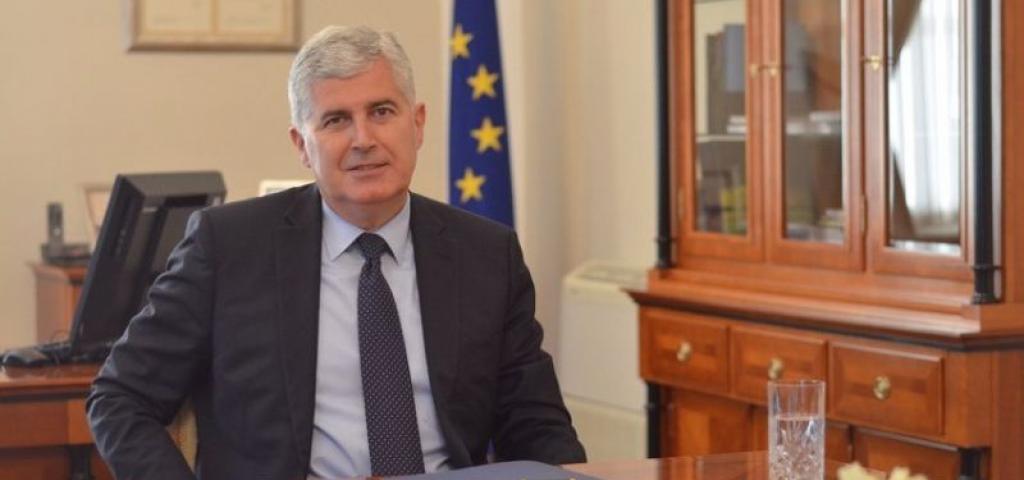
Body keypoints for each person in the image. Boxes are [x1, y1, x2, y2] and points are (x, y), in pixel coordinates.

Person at [87, 25, 585, 479]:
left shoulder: (486, 254)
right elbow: (120, 397)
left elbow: (535, 424)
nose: (363, 139)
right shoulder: (229, 247)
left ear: (418, 123)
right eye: (336, 120)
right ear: (302, 145)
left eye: (382, 112)